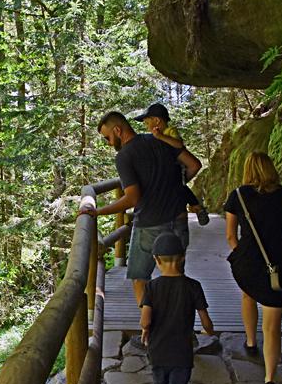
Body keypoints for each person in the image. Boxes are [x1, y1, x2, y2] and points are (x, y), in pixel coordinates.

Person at [81, 111, 202, 307]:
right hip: (179, 219)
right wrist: (174, 186)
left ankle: (149, 329)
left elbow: (132, 198)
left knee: (139, 277)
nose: (109, 143)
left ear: (118, 130)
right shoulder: (161, 140)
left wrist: (99, 211)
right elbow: (194, 165)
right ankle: (181, 328)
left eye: (107, 138)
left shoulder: (125, 156)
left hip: (150, 224)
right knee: (177, 278)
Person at [223, 151, 282, 384]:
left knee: (248, 296)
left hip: (247, 262)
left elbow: (230, 236)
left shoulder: (238, 195)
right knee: (272, 327)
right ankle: (269, 379)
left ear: (247, 169)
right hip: (278, 264)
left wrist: (243, 254)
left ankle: (250, 342)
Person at [140, 232, 216, 384]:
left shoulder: (151, 287)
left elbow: (145, 319)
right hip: (181, 353)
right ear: (182, 258)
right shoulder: (193, 287)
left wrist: (146, 331)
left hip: (158, 351)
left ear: (156, 260)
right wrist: (209, 330)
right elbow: (206, 323)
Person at [135, 102, 211, 226]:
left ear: (157, 120)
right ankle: (197, 207)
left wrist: (160, 136)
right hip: (170, 172)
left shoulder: (170, 131)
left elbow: (178, 144)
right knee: (180, 188)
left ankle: (197, 208)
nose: (146, 127)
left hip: (178, 168)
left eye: (147, 123)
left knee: (180, 187)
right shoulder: (159, 136)